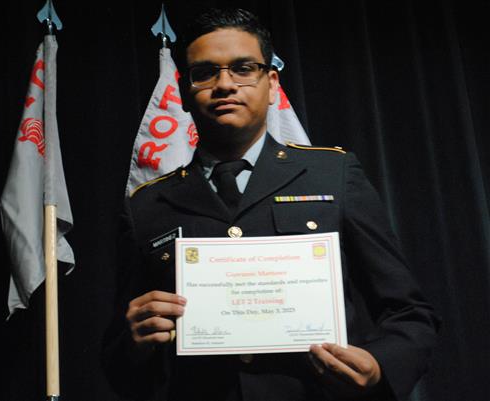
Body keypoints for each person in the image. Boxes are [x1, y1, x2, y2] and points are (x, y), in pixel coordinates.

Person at [103, 8, 439, 401]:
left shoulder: (332, 175)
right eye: (205, 71)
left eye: (243, 68)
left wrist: (380, 364)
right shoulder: (147, 206)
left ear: (272, 82)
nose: (224, 84)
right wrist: (134, 341)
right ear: (182, 91)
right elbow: (119, 364)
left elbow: (410, 313)